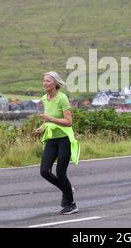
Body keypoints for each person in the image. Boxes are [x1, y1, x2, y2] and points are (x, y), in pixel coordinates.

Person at [35, 71, 80, 215]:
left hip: (64, 140)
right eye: (43, 81)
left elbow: (68, 122)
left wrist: (50, 119)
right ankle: (67, 190)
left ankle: (71, 204)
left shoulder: (62, 98)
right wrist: (41, 128)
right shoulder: (44, 98)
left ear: (55, 83)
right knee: (44, 171)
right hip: (51, 139)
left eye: (47, 81)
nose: (45, 83)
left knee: (61, 172)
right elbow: (48, 120)